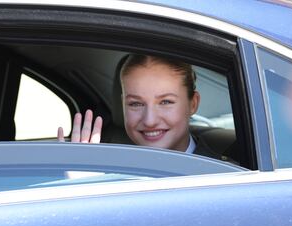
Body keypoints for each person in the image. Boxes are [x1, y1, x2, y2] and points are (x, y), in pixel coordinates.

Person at [58, 54, 220, 157]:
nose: (149, 121)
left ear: (193, 104)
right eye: (136, 103)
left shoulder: (226, 179)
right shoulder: (109, 171)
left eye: (166, 102)